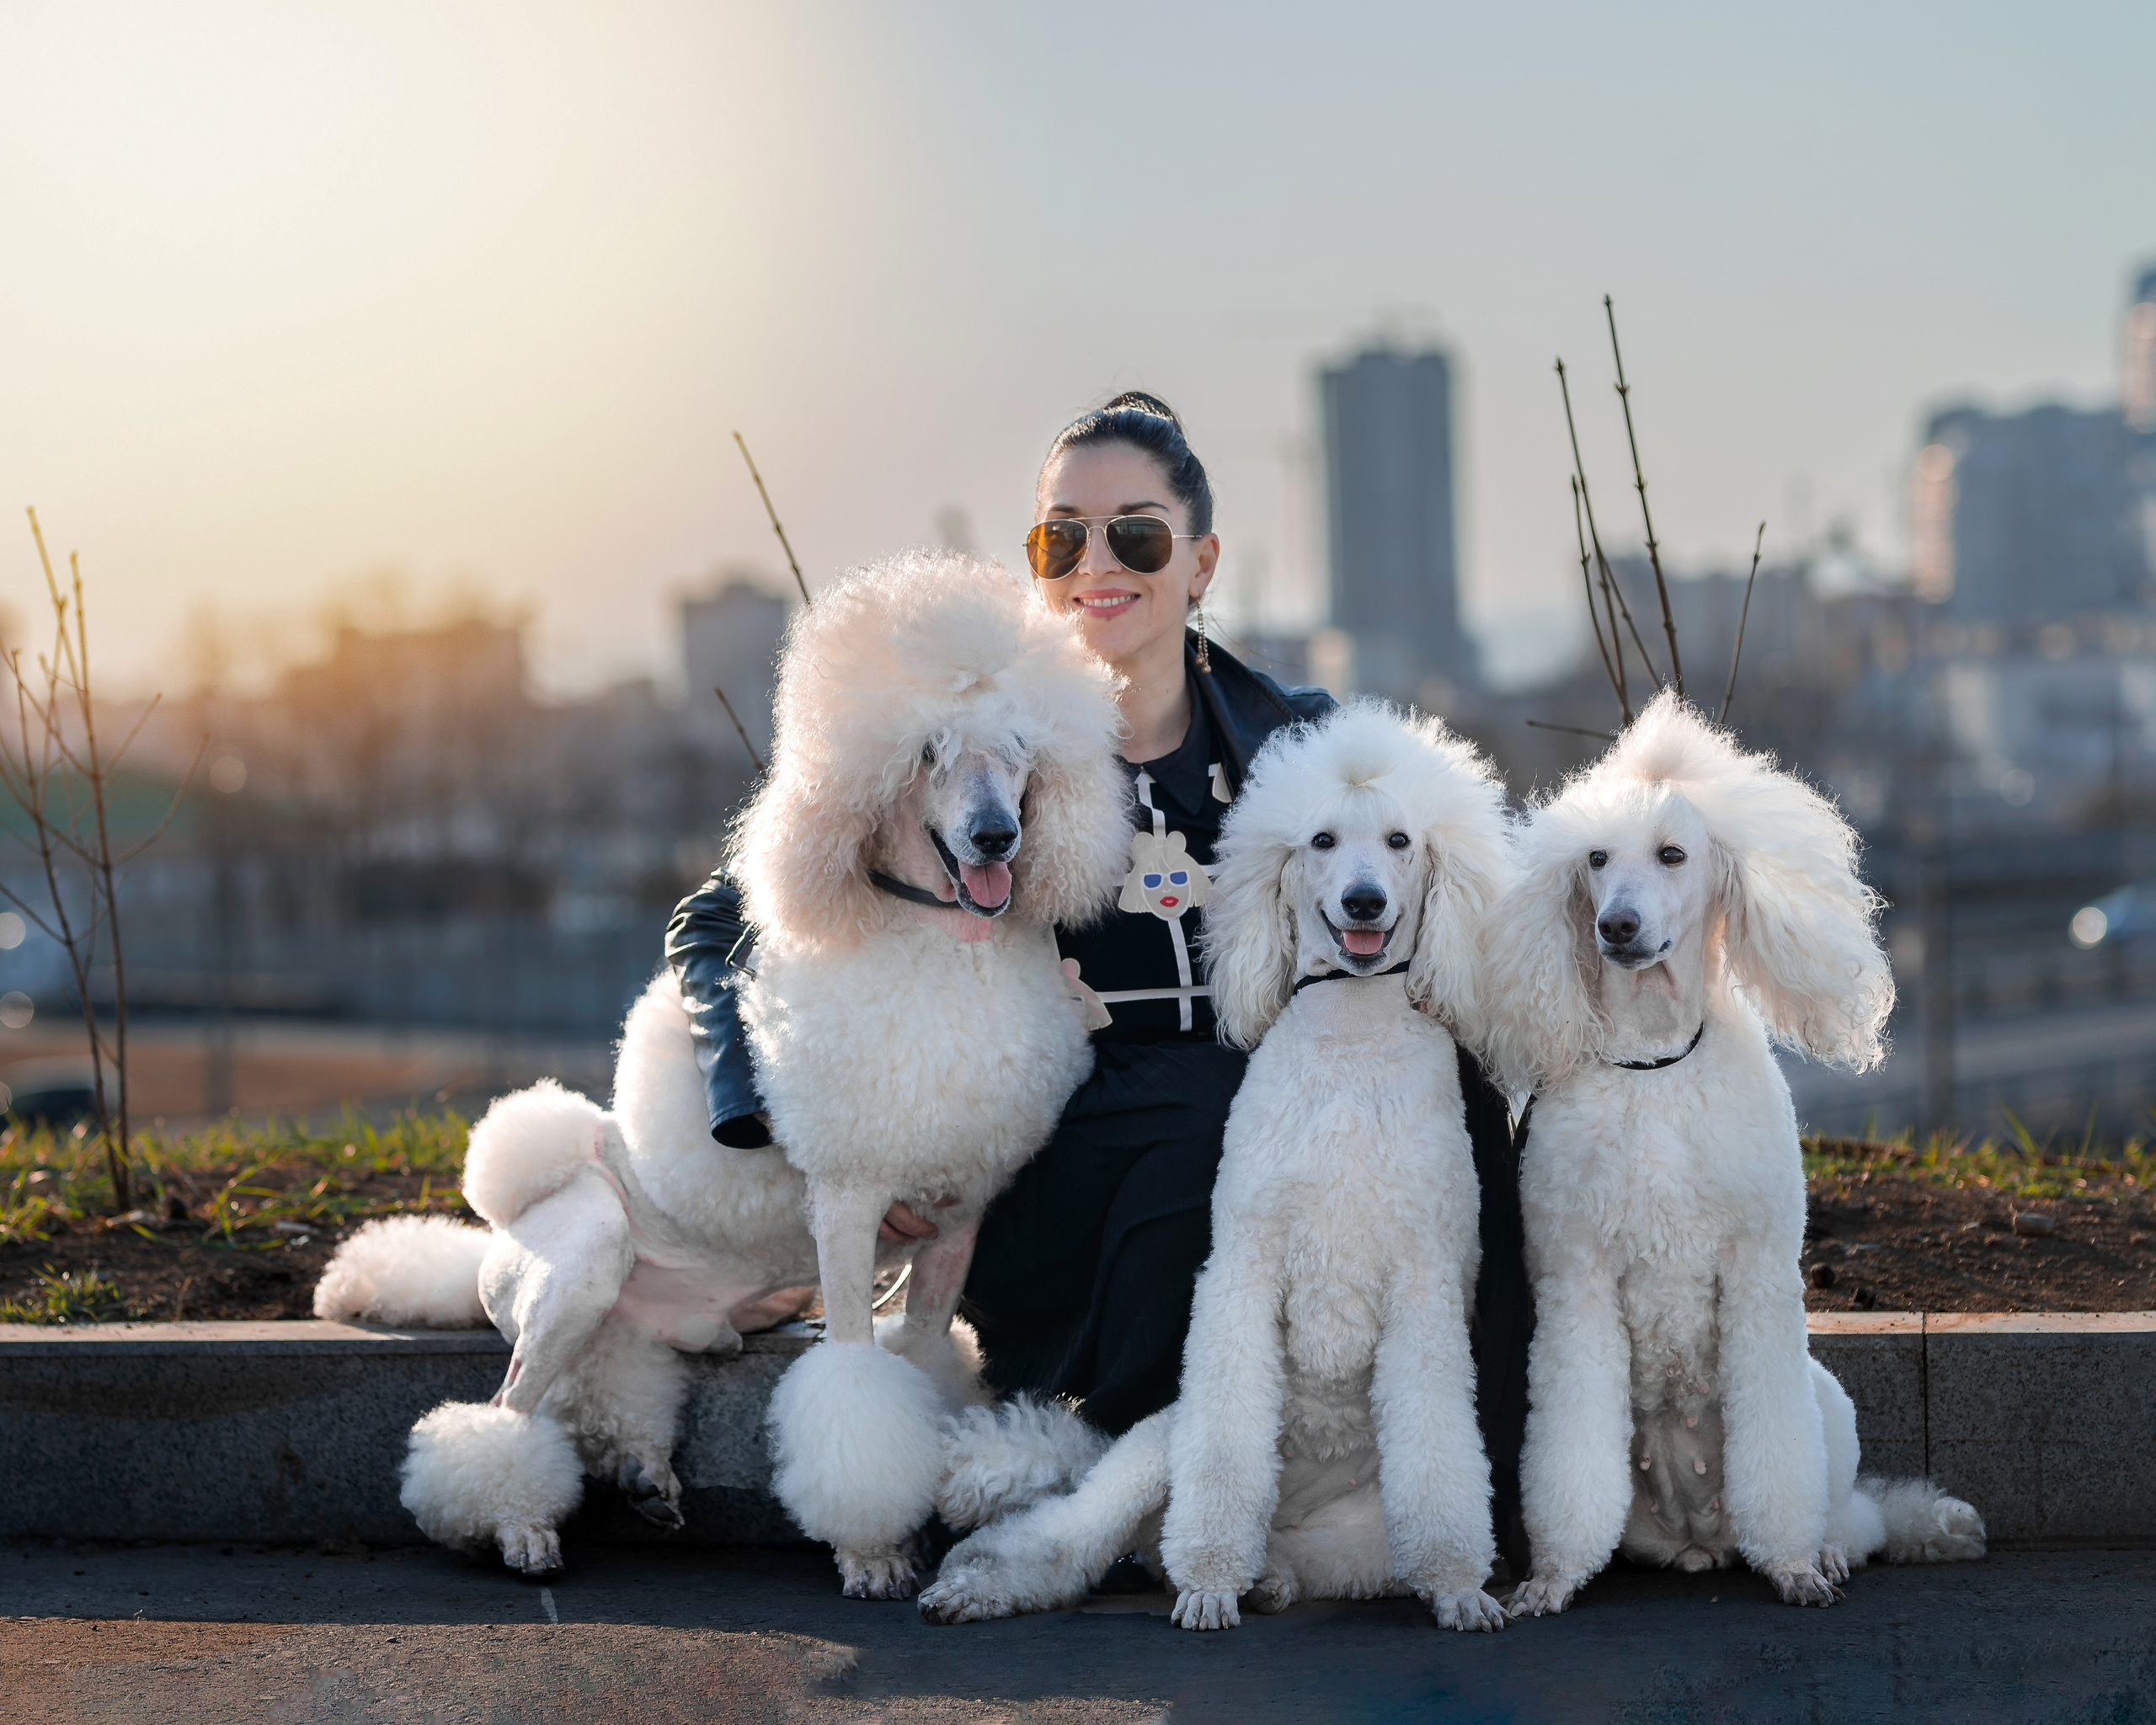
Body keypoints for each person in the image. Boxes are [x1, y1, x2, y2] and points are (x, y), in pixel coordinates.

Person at [664, 393, 1532, 1569]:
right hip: (1037, 1175)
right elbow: (721, 919)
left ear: (1201, 560)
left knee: (1457, 1109)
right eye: (1060, 537)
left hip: (1287, 1140)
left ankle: (1491, 1486)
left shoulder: (1297, 740)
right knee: (1198, 1115)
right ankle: (1123, 1479)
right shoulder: (957, 735)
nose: (1095, 566)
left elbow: (1464, 894)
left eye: (1137, 533)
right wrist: (781, 1122)